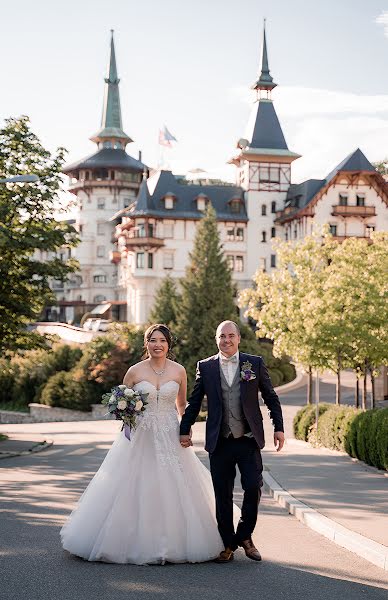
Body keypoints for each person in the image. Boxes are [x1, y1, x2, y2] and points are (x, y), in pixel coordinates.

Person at [60, 324, 223, 565]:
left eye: (162, 340)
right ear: (146, 344)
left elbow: (181, 406)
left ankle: (173, 543)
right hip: (141, 436)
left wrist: (186, 429)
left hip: (169, 434)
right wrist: (126, 413)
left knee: (175, 485)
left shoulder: (179, 371)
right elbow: (122, 403)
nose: (158, 344)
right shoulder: (134, 372)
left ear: (169, 344)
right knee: (135, 483)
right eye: (153, 340)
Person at [180, 320, 285, 563]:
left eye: (230, 336)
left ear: (238, 338)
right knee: (222, 495)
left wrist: (278, 427)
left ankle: (245, 536)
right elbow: (195, 402)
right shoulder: (205, 367)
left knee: (253, 486)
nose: (226, 340)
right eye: (221, 336)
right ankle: (227, 543)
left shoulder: (253, 363)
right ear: (216, 339)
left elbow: (270, 397)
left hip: (248, 440)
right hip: (220, 441)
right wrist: (184, 429)